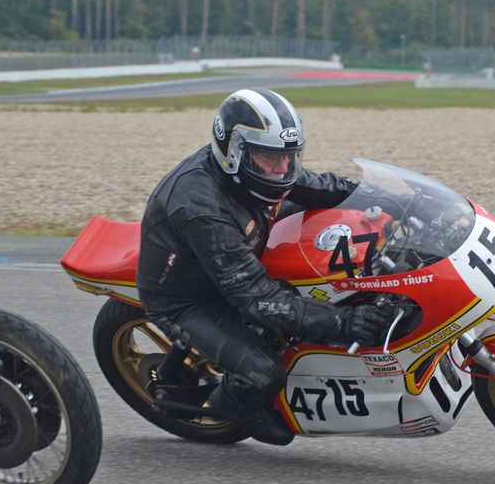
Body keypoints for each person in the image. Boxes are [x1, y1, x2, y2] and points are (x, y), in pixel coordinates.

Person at [136, 88, 393, 446]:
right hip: (188, 298)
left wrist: (387, 197)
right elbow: (258, 300)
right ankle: (231, 405)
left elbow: (321, 187)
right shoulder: (202, 209)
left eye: (289, 157)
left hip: (238, 250)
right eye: (270, 158)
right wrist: (346, 324)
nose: (283, 168)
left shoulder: (260, 174)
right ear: (235, 152)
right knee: (264, 372)